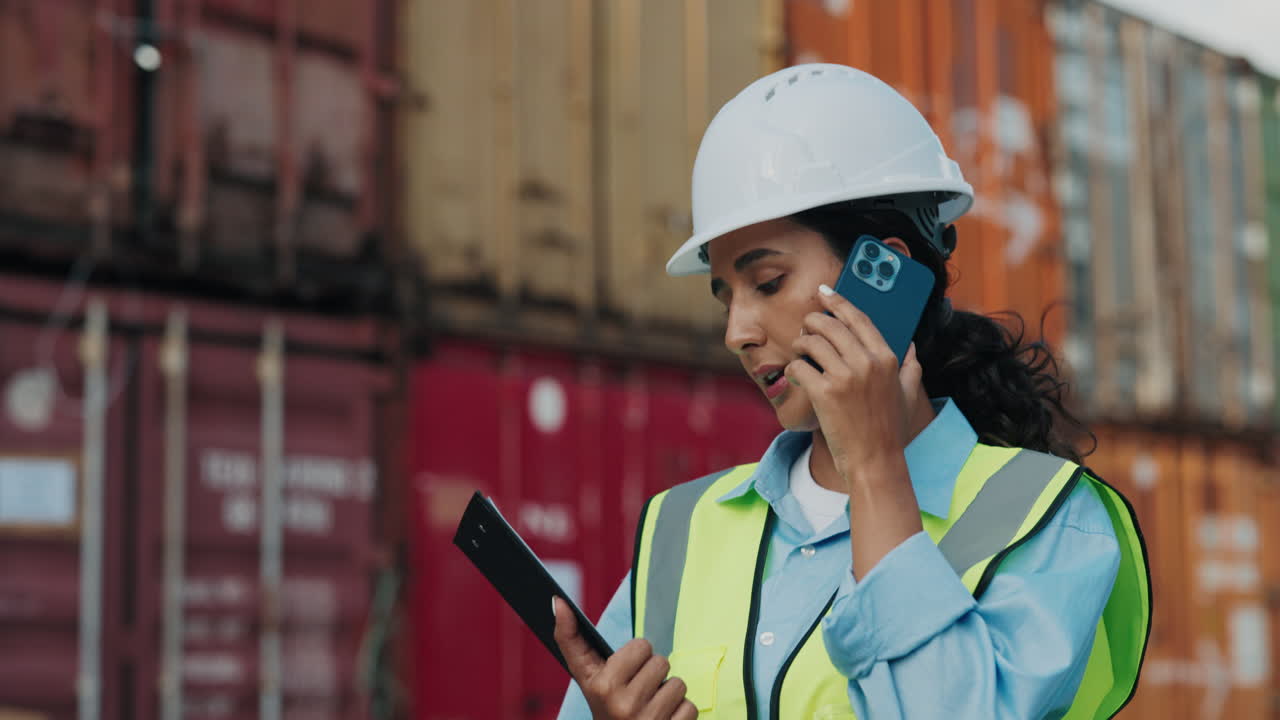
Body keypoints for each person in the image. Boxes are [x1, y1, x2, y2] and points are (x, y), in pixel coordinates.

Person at [553, 63, 1149, 720]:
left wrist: (872, 465)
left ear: (885, 270)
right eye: (725, 297)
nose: (737, 332)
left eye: (769, 282)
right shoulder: (682, 528)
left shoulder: (1046, 518)